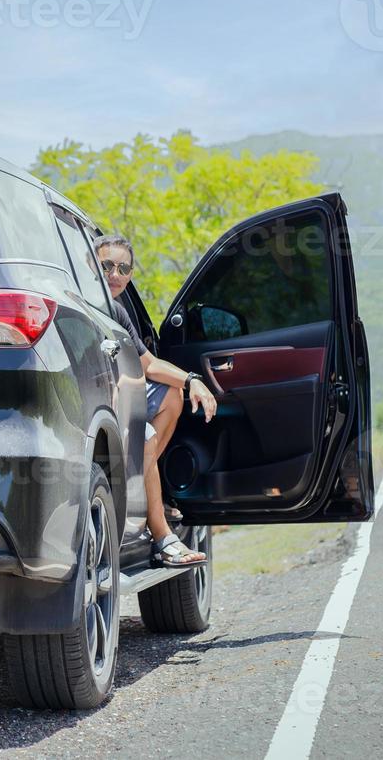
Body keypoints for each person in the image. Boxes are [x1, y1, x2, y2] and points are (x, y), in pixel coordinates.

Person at [94, 233, 219, 568]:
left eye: (123, 268)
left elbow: (148, 364)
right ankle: (162, 536)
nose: (115, 274)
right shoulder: (82, 304)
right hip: (94, 405)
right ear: (91, 265)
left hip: (122, 401)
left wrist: (195, 381)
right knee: (145, 436)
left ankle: (144, 478)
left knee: (172, 395)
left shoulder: (118, 312)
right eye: (107, 265)